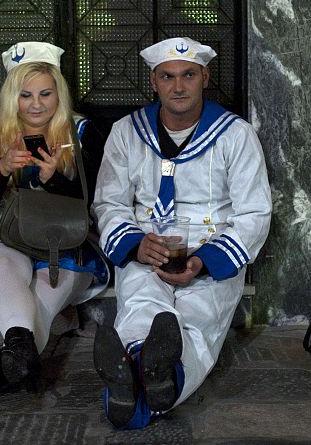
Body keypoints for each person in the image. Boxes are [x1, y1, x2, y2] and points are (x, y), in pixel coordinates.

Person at [92, 37, 272, 428]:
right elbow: (109, 203)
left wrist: (204, 262)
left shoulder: (235, 135)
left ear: (204, 77)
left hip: (209, 253)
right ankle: (153, 372)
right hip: (148, 248)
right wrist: (136, 245)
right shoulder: (126, 133)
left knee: (195, 320)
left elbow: (255, 212)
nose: (178, 86)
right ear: (154, 81)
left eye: (188, 75)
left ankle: (135, 388)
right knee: (141, 305)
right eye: (167, 76)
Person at [0, 41, 108, 394]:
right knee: (9, 270)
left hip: (68, 237)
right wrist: (0, 170)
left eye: (45, 93)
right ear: (13, 97)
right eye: (26, 95)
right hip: (8, 233)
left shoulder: (83, 133)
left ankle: (6, 369)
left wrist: (54, 178)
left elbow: (101, 200)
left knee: (43, 295)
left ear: (59, 94)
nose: (36, 104)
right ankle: (19, 362)